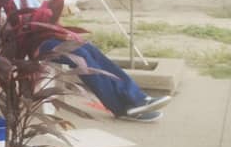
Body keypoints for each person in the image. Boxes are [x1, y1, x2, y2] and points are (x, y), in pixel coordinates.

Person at [40, 39, 171, 121]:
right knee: (80, 55)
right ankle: (121, 108)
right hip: (33, 40)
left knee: (88, 48)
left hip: (43, 34)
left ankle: (137, 98)